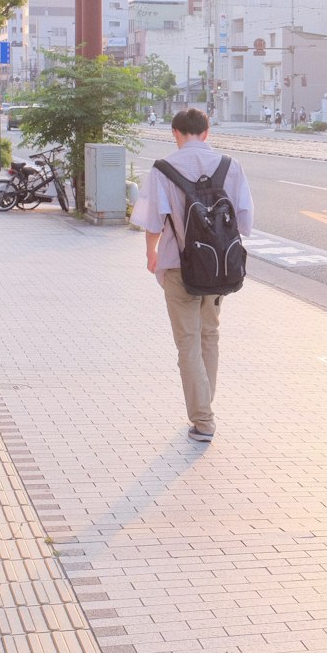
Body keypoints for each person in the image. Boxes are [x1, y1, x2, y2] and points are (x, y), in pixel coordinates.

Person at [130, 108, 253, 443]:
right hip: (218, 268)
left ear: (175, 133)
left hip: (177, 267)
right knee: (209, 335)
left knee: (188, 342)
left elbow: (153, 223)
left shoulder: (163, 170)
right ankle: (204, 408)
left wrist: (151, 253)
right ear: (207, 132)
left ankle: (203, 420)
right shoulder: (231, 166)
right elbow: (245, 223)